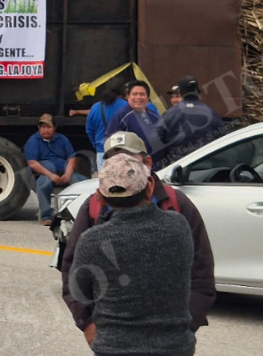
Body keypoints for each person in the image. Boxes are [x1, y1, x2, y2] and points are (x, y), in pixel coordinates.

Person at [60, 131, 215, 340]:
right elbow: (73, 273)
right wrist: (87, 323)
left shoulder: (176, 205)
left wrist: (188, 323)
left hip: (170, 340)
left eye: (130, 159)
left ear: (147, 163)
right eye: (114, 161)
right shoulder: (93, 206)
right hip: (112, 338)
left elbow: (201, 269)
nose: (122, 167)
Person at [25, 113, 86, 225]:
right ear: (39, 128)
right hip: (45, 174)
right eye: (43, 127)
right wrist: (51, 175)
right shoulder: (33, 141)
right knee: (43, 184)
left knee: (83, 182)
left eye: (49, 127)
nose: (46, 130)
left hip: (64, 172)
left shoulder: (62, 139)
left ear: (55, 128)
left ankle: (81, 214)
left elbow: (71, 158)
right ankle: (46, 216)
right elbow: (32, 163)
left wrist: (68, 174)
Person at [157, 76, 228, 167]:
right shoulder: (211, 113)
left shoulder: (170, 114)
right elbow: (224, 139)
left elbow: (157, 141)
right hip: (206, 168)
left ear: (181, 92)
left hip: (177, 169)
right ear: (198, 93)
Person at [105, 81, 161, 158]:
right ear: (128, 96)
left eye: (142, 94)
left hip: (158, 164)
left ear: (148, 97)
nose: (138, 97)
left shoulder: (154, 116)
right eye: (134, 94)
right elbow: (111, 143)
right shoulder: (121, 117)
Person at [84, 83, 125, 169]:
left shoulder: (95, 107)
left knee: (104, 181)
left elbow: (89, 130)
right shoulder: (126, 106)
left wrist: (97, 146)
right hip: (123, 151)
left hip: (102, 151)